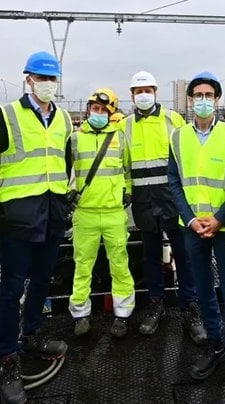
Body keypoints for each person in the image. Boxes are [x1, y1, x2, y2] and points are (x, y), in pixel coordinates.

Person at [0, 51, 72, 404]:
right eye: (42, 78)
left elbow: (65, 161)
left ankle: (32, 335)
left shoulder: (65, 118)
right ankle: (8, 358)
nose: (48, 85)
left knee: (42, 280)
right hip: (18, 217)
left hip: (52, 212)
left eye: (52, 79)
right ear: (28, 79)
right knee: (11, 289)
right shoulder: (5, 117)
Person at [168, 72, 225, 402]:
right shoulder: (177, 137)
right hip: (193, 229)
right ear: (190, 100)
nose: (202, 100)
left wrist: (219, 219)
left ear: (217, 99)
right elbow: (174, 183)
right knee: (203, 290)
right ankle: (215, 343)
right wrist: (190, 220)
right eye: (197, 95)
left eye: (208, 95)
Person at [125, 70, 206, 343]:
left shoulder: (174, 119)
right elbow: (124, 165)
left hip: (172, 197)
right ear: (132, 95)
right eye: (138, 91)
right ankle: (156, 303)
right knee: (150, 255)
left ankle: (190, 307)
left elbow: (188, 155)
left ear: (156, 91)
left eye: (148, 89)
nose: (143, 95)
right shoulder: (125, 126)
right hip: (143, 200)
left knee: (183, 254)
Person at [67, 88, 135, 338]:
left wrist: (128, 192)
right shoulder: (75, 139)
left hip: (114, 213)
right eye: (94, 109)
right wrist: (69, 191)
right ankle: (80, 314)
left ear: (111, 113)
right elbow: (66, 171)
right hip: (85, 213)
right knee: (82, 266)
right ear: (88, 110)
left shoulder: (119, 138)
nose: (98, 113)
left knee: (120, 264)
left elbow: (127, 170)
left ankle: (123, 315)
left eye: (103, 110)